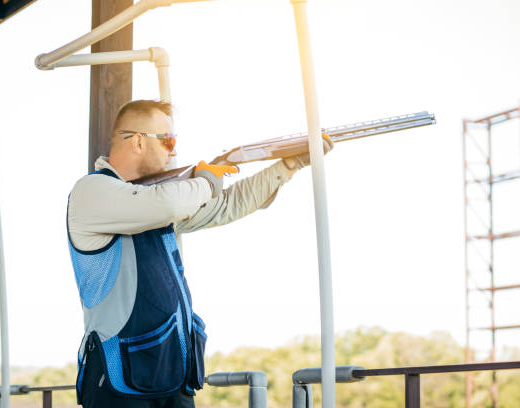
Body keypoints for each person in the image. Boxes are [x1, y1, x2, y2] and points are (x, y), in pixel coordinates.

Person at [67, 100, 333, 408]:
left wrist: (288, 166)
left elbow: (228, 204)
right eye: (167, 140)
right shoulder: (92, 192)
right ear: (138, 140)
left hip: (168, 375)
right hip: (118, 382)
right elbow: (170, 204)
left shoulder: (153, 201)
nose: (173, 151)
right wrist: (206, 179)